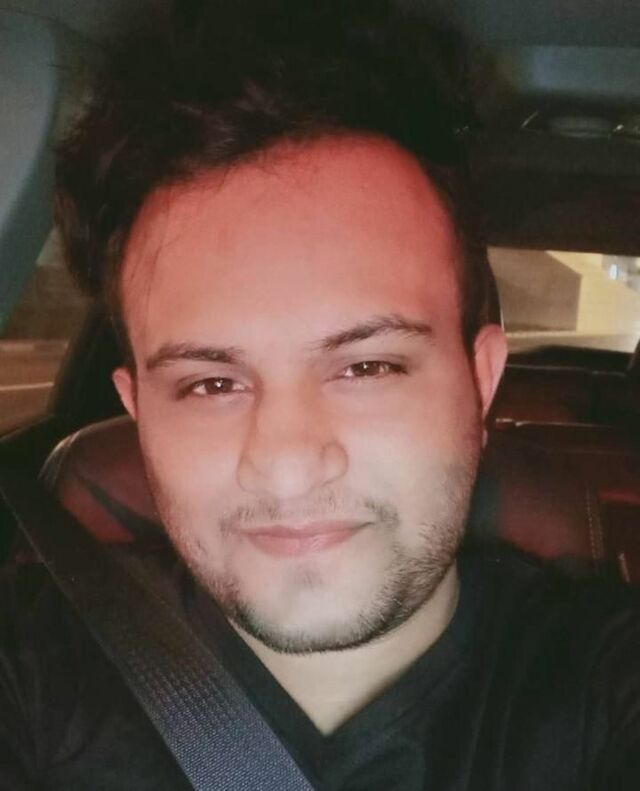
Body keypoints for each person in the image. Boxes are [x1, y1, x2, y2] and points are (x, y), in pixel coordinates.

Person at [1, 2, 639, 788]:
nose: (288, 463)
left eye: (367, 367)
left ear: (480, 383)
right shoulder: (38, 661)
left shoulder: (602, 682)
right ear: (139, 412)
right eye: (210, 383)